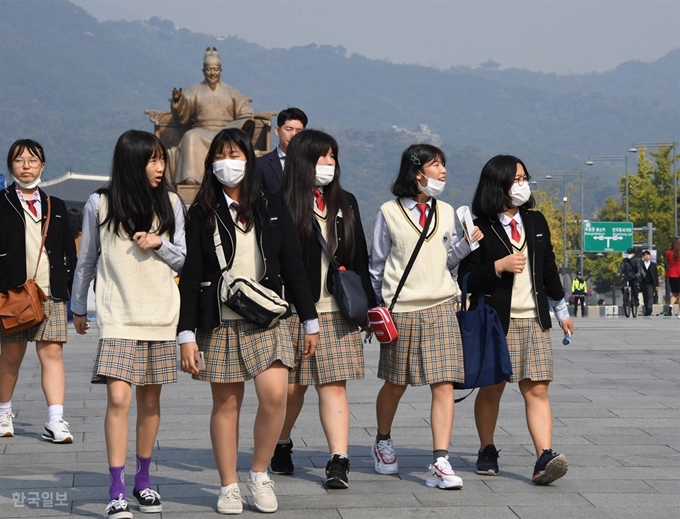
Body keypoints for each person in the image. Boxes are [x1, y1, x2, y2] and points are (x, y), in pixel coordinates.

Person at [177, 128, 319, 514]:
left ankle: (259, 473)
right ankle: (228, 485)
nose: (229, 162)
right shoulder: (202, 211)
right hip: (219, 321)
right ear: (211, 164)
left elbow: (294, 266)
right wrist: (185, 333)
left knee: (275, 395)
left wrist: (310, 320)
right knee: (227, 404)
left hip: (267, 318)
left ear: (249, 161)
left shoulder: (272, 205)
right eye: (222, 155)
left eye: (236, 155)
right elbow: (190, 276)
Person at [71, 130, 186, 518]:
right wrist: (78, 307)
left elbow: (186, 258)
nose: (160, 167)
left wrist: (160, 244)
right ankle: (116, 487)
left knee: (150, 401)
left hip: (160, 316)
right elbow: (86, 259)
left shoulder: (171, 202)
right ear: (131, 162)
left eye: (162, 160)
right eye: (152, 160)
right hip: (117, 316)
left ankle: (143, 479)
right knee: (119, 398)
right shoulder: (99, 204)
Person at [368, 144, 483, 490]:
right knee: (395, 383)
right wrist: (380, 308)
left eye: (444, 164)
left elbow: (447, 261)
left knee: (444, 384)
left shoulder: (447, 211)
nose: (443, 171)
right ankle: (383, 440)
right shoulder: (388, 212)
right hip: (402, 310)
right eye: (436, 165)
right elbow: (377, 266)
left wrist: (465, 246)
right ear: (417, 173)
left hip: (442, 307)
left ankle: (441, 459)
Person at [458, 154, 574, 485]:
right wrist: (498, 267)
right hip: (495, 321)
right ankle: (487, 448)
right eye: (516, 179)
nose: (522, 185)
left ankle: (544, 456)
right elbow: (465, 278)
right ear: (498, 185)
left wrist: (561, 309)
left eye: (525, 178)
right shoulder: (480, 227)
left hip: (534, 319)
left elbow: (548, 267)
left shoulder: (536, 222)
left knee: (537, 389)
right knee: (492, 389)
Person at [271, 129, 376, 489]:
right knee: (293, 388)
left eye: (333, 157)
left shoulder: (346, 202)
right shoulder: (281, 202)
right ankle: (281, 444)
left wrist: (369, 309)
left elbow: (359, 255)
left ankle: (338, 460)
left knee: (334, 385)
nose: (329, 164)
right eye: (321, 158)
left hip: (336, 310)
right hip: (294, 312)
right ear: (303, 162)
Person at [0, 139, 77, 442]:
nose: (27, 165)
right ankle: (4, 412)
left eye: (33, 160)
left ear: (43, 165)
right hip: (13, 293)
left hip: (50, 293)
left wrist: (67, 284)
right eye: (19, 160)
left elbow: (67, 249)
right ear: (11, 166)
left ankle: (55, 420)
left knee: (52, 354)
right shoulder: (2, 202)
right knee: (11, 356)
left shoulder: (54, 204)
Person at [171, 47, 254, 184]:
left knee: (230, 139)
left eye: (215, 69)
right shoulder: (194, 89)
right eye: (209, 69)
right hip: (201, 130)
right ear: (203, 71)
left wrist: (236, 125)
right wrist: (178, 100)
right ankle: (191, 178)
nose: (212, 73)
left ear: (221, 71)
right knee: (190, 136)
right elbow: (184, 111)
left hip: (225, 131)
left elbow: (246, 112)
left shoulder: (232, 91)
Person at [257, 107, 308, 192]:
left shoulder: (311, 163)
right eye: (289, 129)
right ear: (277, 131)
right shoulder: (261, 164)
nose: (293, 135)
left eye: (299, 131)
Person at [618, 247, 642, 314]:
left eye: (630, 253)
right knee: (623, 287)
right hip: (626, 277)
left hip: (634, 277)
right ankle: (626, 300)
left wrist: (638, 274)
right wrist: (619, 273)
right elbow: (621, 267)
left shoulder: (636, 260)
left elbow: (639, 268)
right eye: (628, 253)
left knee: (635, 287)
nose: (629, 254)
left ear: (633, 254)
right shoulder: (624, 260)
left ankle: (636, 300)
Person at [640, 250, 659, 316]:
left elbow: (656, 275)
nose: (646, 256)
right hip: (642, 283)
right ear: (643, 257)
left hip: (651, 284)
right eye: (645, 255)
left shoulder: (653, 265)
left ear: (650, 256)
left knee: (650, 296)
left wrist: (657, 285)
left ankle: (649, 309)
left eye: (647, 255)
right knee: (645, 297)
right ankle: (647, 310)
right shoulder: (641, 264)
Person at [664, 237, 680, 318]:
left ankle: (671, 306)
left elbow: (668, 262)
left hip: (671, 273)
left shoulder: (668, 253)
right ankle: (679, 313)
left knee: (674, 293)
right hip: (679, 273)